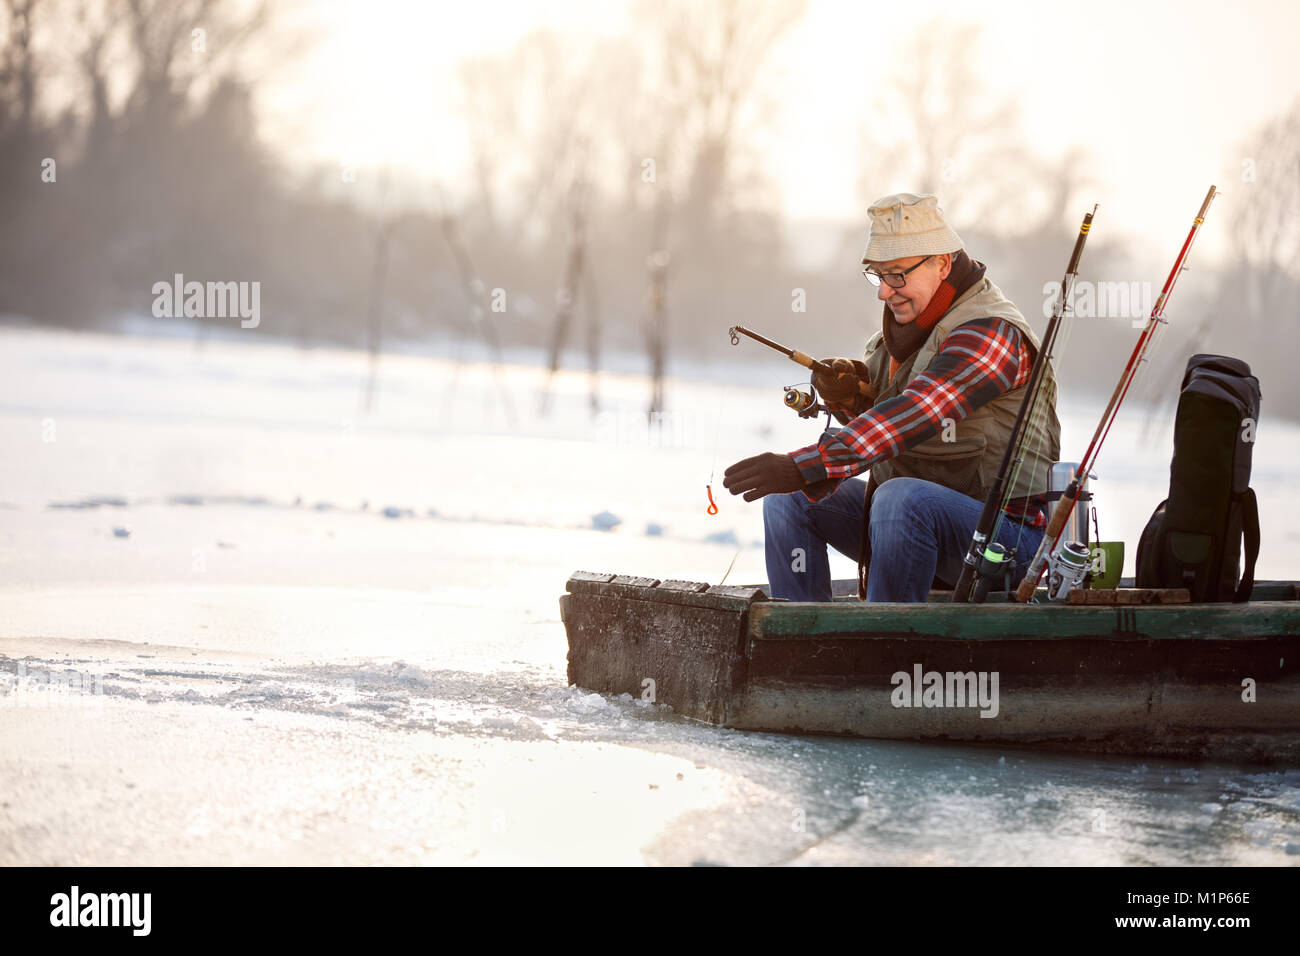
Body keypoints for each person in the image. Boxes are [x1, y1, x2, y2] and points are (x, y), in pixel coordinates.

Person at [722, 192, 1062, 602]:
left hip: (1004, 546)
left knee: (899, 498)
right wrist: (850, 398)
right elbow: (887, 420)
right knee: (791, 498)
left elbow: (916, 413)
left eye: (897, 274)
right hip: (909, 526)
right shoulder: (908, 329)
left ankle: (882, 647)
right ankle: (801, 644)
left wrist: (805, 464)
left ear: (942, 262)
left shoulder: (990, 334)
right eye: (878, 276)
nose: (884, 292)